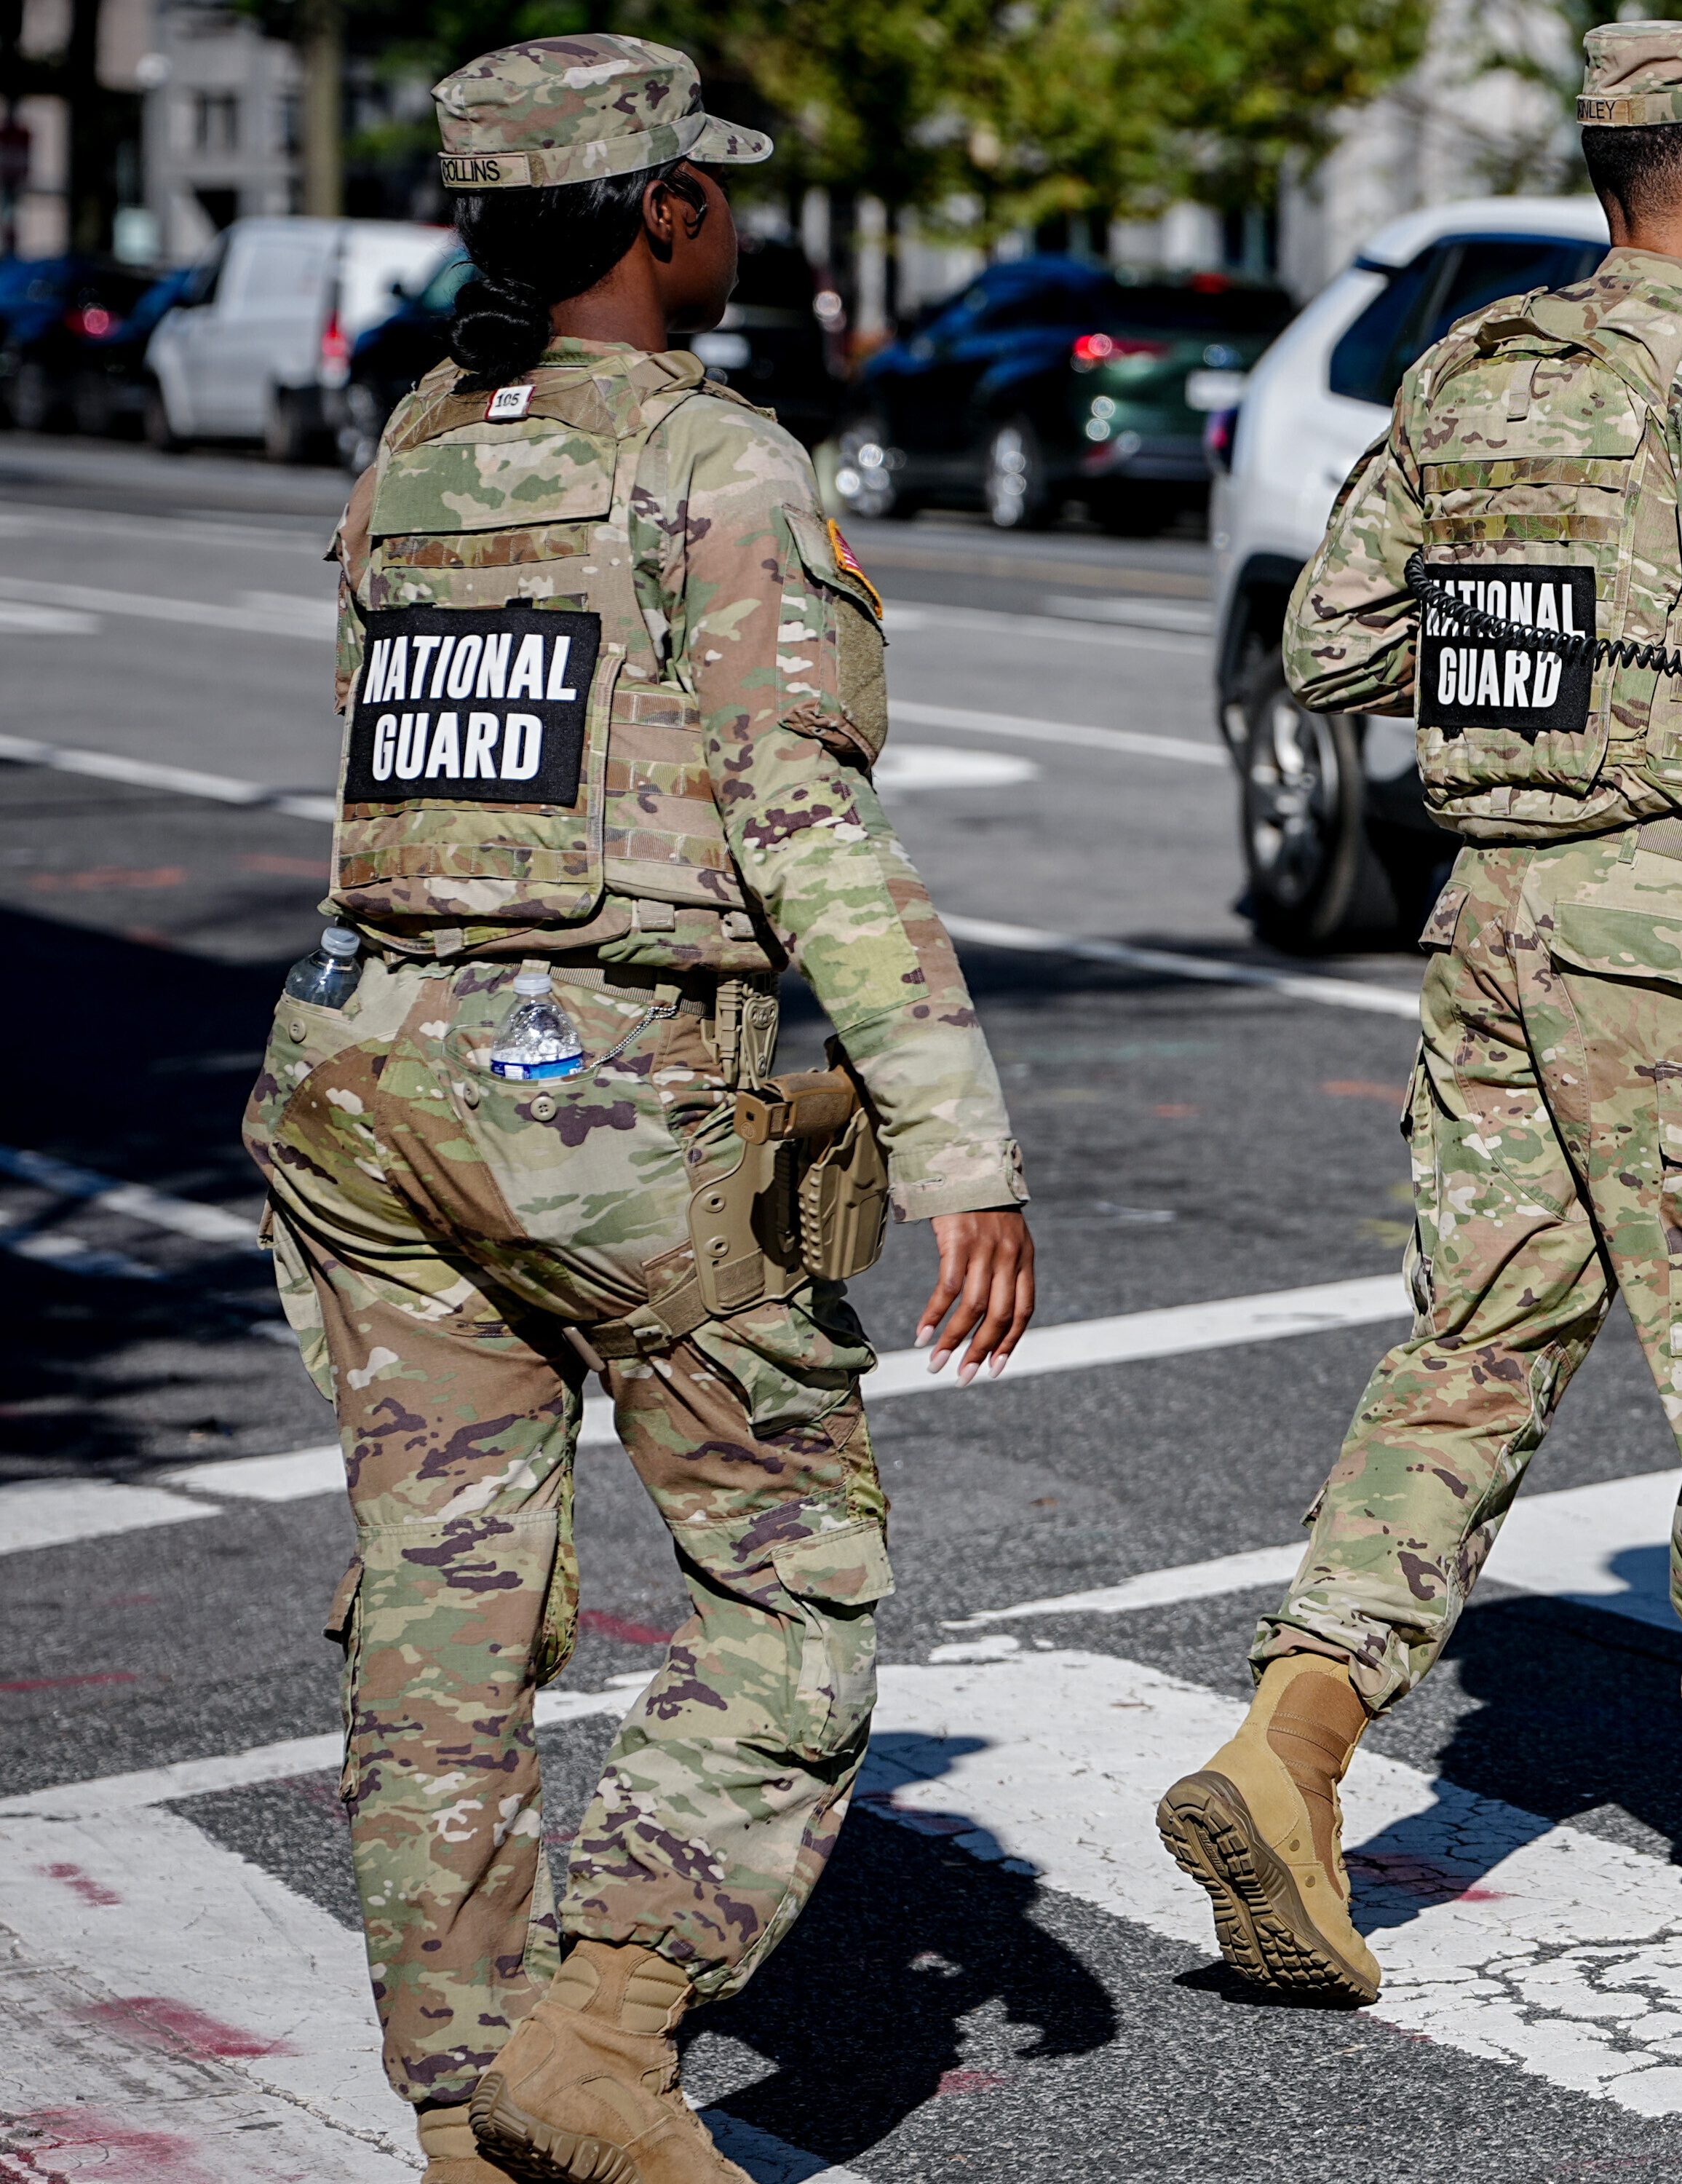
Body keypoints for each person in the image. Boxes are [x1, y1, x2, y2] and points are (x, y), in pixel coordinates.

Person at [237, 35, 1037, 2184]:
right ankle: (598, 2030)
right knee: (793, 1575)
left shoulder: (417, 441)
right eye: (714, 186)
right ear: (660, 214)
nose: (736, 217)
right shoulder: (715, 458)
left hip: (356, 1076)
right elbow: (805, 825)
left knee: (443, 1609)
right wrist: (955, 1142)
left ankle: (459, 2110)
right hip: (595, 1096)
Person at [1157, 19, 1682, 2002]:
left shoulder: (1472, 364)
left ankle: (1296, 1739)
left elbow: (1332, 643)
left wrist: (1537, 642)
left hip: (1486, 921)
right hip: (1669, 927)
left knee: (1470, 1350)